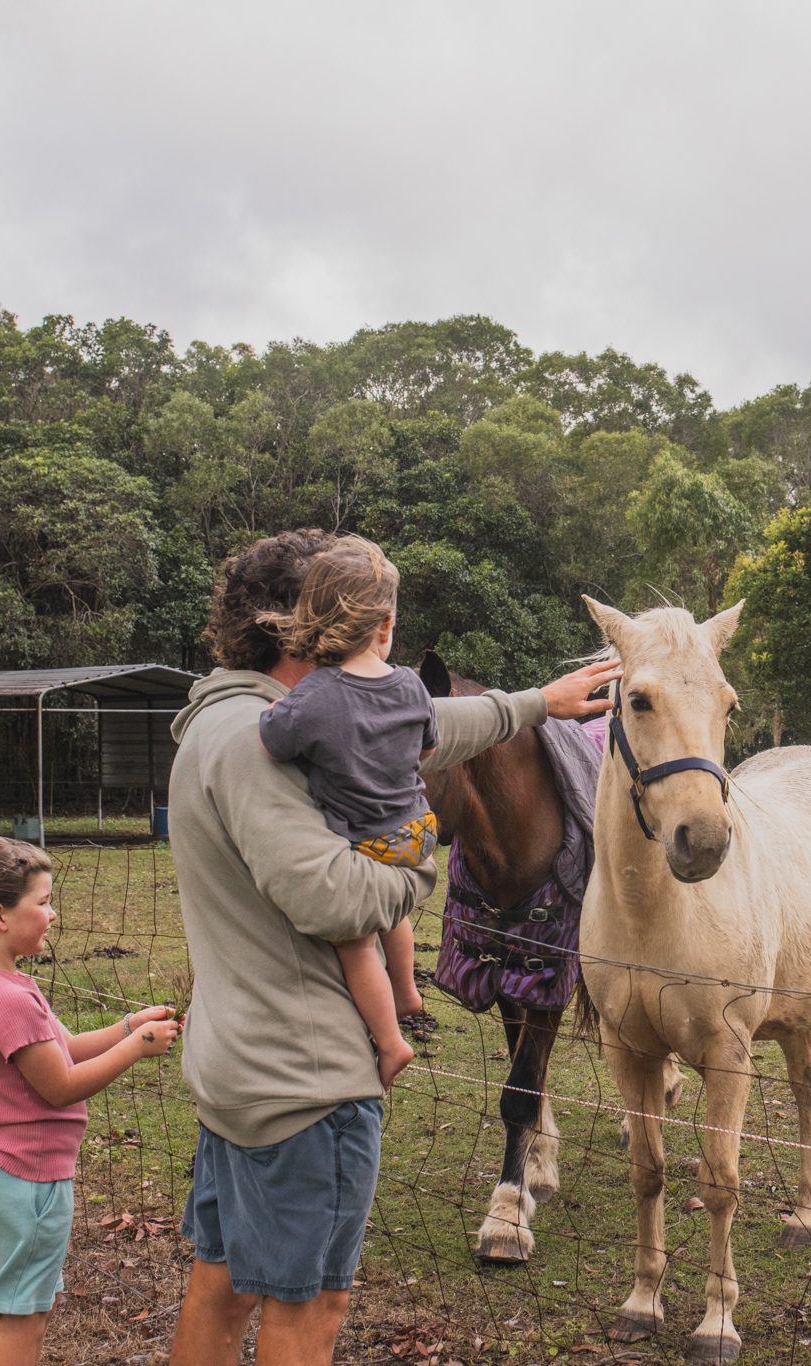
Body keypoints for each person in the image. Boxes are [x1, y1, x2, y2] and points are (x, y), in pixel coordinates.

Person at [167, 529, 617, 1366]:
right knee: (311, 1312)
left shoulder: (234, 720)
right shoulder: (256, 743)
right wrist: (416, 860)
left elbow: (413, 721)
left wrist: (531, 704)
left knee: (222, 1283)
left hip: (240, 1068)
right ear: (307, 628)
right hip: (302, 1091)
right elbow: (332, 897)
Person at [0, 834, 181, 1366]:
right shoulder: (9, 998)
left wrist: (127, 1024)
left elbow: (61, 1051)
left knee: (29, 1315)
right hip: (27, 1182)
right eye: (42, 903)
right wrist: (138, 1047)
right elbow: (61, 1085)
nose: (54, 914)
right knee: (23, 1326)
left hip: (2, 1174)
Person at [255, 535, 433, 1089]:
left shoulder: (316, 696)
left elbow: (272, 741)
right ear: (384, 625)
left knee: (355, 938)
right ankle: (406, 990)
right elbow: (427, 743)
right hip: (417, 831)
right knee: (392, 911)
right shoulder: (410, 684)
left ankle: (390, 1040)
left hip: (366, 838)